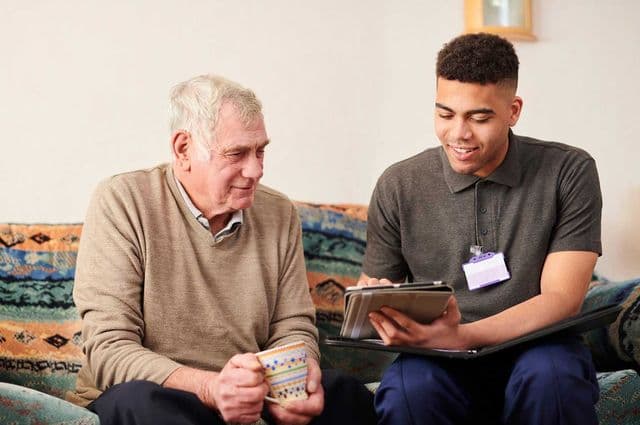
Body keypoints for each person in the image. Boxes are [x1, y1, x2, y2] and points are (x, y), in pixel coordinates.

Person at [67, 74, 376, 425]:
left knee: (345, 393)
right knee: (141, 403)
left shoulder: (278, 212)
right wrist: (210, 388)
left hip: (253, 396)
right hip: (162, 394)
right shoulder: (123, 202)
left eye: (260, 151)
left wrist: (294, 385)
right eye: (237, 153)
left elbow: (293, 327)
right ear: (183, 149)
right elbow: (109, 349)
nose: (256, 170)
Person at [359, 33, 602, 425]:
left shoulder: (569, 171)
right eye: (445, 115)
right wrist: (375, 303)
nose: (459, 134)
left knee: (552, 379)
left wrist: (464, 336)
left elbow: (563, 298)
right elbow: (377, 289)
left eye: (479, 117)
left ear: (513, 111)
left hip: (538, 347)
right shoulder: (398, 184)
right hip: (438, 355)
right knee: (409, 391)